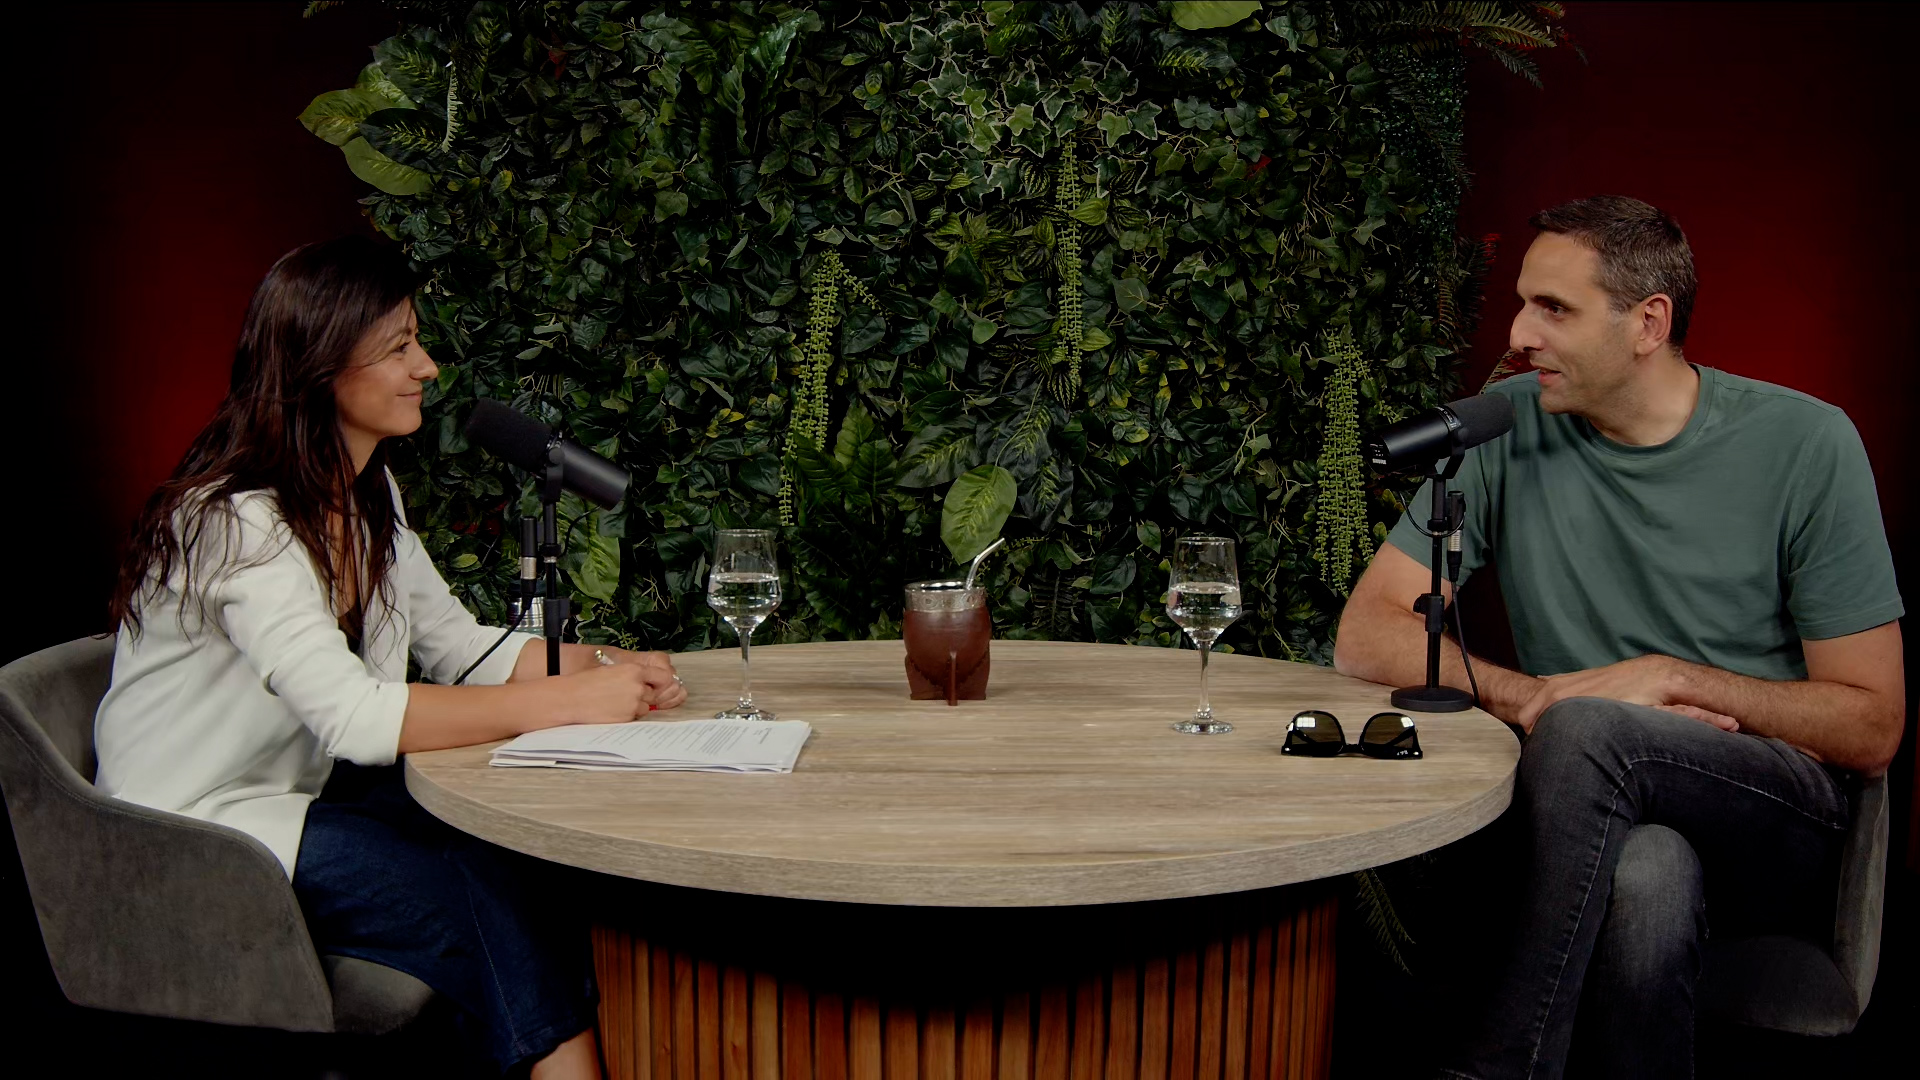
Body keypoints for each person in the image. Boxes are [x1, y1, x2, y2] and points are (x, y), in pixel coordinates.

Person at [1334, 195, 1904, 1079]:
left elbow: (1872, 728)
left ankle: (1498, 1067)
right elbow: (1368, 634)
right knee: (1648, 875)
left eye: (1554, 308)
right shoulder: (1508, 424)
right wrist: (1537, 698)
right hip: (1588, 807)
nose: (1518, 334)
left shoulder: (1807, 444)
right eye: (1522, 303)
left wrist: (1673, 680)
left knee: (1594, 731)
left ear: (1648, 323)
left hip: (1773, 808)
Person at [96, 236, 689, 1079]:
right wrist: (569, 703)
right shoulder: (239, 523)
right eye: (400, 346)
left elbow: (461, 649)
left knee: (515, 865)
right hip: (190, 835)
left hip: (298, 800)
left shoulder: (368, 493)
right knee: (476, 900)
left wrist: (604, 666)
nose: (428, 366)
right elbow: (357, 718)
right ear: (323, 368)